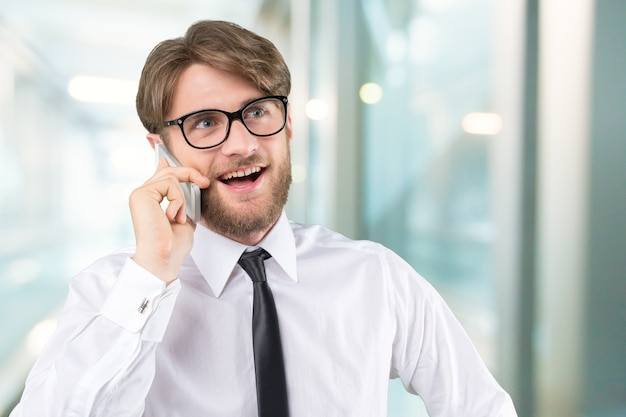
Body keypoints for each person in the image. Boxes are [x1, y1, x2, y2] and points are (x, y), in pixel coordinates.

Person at [10, 20, 517, 417]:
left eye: (257, 111)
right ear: (161, 151)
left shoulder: (376, 278)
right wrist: (151, 274)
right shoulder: (111, 295)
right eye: (205, 123)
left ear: (288, 123)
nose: (241, 143)